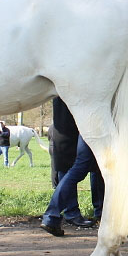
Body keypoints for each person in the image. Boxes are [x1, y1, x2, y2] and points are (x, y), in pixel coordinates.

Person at [39, 96, 104, 236]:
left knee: (80, 169)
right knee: (80, 169)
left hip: (70, 126)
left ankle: (60, 214)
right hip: (86, 123)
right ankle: (54, 215)